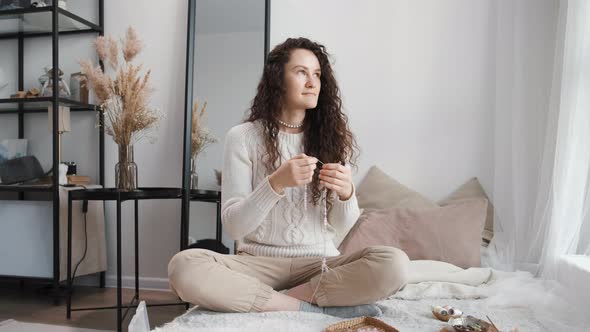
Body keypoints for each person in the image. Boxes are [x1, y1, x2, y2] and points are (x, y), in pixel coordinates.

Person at [168, 37, 409, 317]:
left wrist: (347, 194)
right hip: (258, 264)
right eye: (301, 72)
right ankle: (308, 308)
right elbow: (234, 228)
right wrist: (275, 183)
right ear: (278, 79)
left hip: (319, 265)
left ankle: (274, 302)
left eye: (317, 74)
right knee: (183, 266)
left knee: (396, 264)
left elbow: (340, 229)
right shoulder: (243, 137)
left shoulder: (331, 139)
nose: (312, 82)